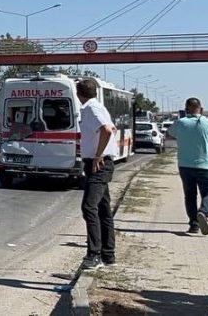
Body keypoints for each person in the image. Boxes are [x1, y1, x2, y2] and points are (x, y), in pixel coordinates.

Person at [76, 77, 118, 270]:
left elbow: (107, 130)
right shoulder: (97, 107)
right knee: (103, 209)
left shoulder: (92, 109)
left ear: (79, 94)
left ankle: (94, 255)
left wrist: (98, 154)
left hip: (98, 164)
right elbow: (113, 128)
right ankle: (108, 254)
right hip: (100, 163)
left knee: (89, 207)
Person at [167, 97, 208, 235]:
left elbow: (169, 135)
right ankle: (203, 212)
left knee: (190, 195)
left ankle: (194, 225)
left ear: (186, 109)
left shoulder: (180, 123)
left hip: (185, 166)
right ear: (201, 109)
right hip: (206, 166)